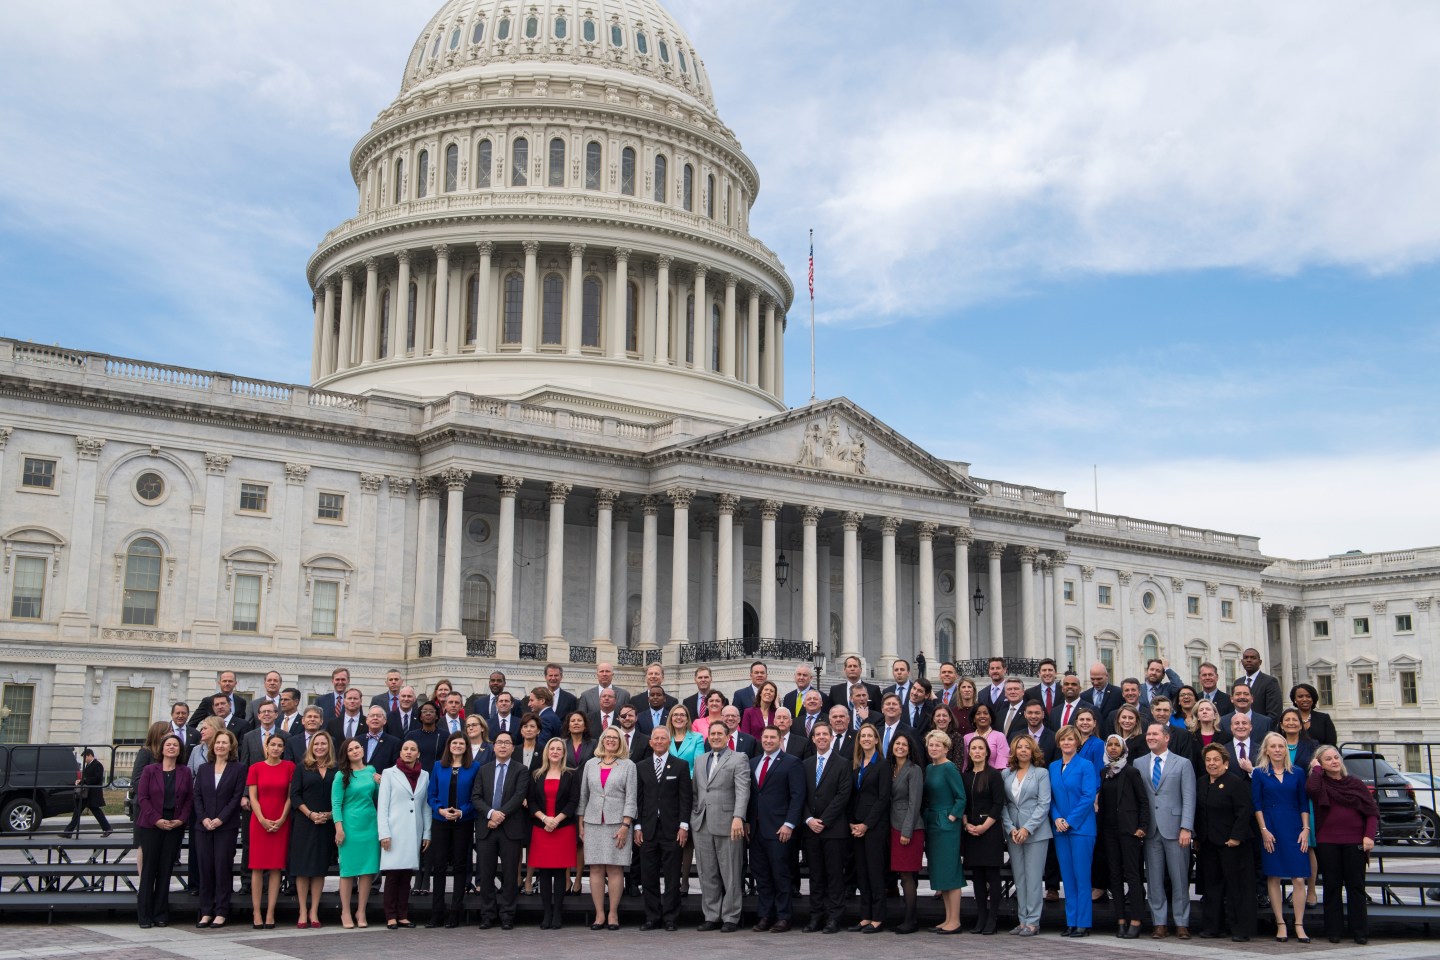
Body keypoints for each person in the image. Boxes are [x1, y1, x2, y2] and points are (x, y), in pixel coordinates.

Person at [1307, 745, 1378, 944]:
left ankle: (1360, 931)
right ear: (1321, 764)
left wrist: (1369, 836)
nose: (1334, 761)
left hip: (1355, 841)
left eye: (1336, 757)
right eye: (1328, 759)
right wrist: (1316, 770)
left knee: (1356, 887)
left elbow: (1371, 812)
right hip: (1327, 842)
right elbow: (1311, 790)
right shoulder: (1320, 783)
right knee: (1332, 886)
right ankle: (1334, 931)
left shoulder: (1355, 784)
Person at [691, 719, 751, 932]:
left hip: (728, 823)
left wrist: (738, 817)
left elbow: (743, 790)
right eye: (712, 734)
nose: (716, 737)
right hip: (702, 823)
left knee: (731, 872)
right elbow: (697, 791)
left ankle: (731, 917)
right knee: (707, 872)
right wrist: (694, 816)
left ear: (727, 736)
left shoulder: (739, 758)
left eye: (720, 734)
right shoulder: (700, 760)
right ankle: (711, 915)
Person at [1138, 722, 1196, 939]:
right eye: (1148, 734)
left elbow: (1189, 797)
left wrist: (1186, 827)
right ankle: (1159, 922)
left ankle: (1182, 922)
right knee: (1153, 879)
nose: (1150, 737)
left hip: (1175, 829)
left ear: (1167, 738)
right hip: (1150, 831)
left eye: (1155, 734)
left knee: (1180, 878)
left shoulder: (1182, 764)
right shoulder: (1139, 762)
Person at [1252, 731, 1310, 942]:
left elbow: (1303, 803)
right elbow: (1257, 804)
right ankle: (1280, 923)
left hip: (1294, 826)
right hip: (1271, 827)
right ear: (1266, 750)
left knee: (1299, 877)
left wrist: (1305, 829)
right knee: (1274, 876)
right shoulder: (1259, 773)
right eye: (1273, 746)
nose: (1277, 750)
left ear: (1286, 749)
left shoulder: (1298, 772)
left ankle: (1299, 924)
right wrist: (1264, 830)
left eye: (1281, 746)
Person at [634, 725, 693, 931]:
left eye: (663, 738)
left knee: (671, 876)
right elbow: (638, 799)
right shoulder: (641, 766)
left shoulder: (681, 765)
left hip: (672, 829)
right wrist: (638, 826)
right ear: (650, 742)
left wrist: (684, 826)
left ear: (669, 742)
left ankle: (670, 917)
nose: (659, 742)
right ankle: (652, 916)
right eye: (655, 739)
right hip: (648, 829)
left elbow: (686, 798)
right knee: (648, 876)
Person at [1194, 743, 1255, 941]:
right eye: (1208, 760)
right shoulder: (1202, 782)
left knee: (1236, 887)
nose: (1212, 763)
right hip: (1208, 844)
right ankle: (1213, 927)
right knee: (1212, 887)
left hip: (1232, 844)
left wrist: (1236, 837)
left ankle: (1240, 930)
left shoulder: (1236, 783)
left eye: (1216, 760)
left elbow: (1244, 811)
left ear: (1226, 763)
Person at [579, 725, 637, 930]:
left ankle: (613, 914)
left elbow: (631, 797)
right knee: (595, 868)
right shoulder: (590, 764)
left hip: (617, 823)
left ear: (621, 742)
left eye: (615, 737)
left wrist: (625, 824)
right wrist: (581, 822)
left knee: (614, 868)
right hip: (593, 822)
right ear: (602, 740)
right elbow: (583, 795)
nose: (611, 740)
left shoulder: (628, 765)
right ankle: (599, 914)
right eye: (607, 737)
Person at [748, 725, 805, 933]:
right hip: (756, 830)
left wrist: (789, 824)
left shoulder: (792, 763)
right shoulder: (753, 762)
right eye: (765, 737)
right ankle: (765, 915)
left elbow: (797, 796)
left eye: (773, 737)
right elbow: (753, 796)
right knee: (762, 876)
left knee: (781, 875)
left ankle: (783, 916)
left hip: (779, 829)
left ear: (780, 740)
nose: (768, 740)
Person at [469, 731, 528, 929]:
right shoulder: (483, 769)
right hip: (487, 829)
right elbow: (476, 797)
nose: (503, 746)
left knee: (510, 875)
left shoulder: (521, 770)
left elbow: (519, 796)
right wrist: (491, 814)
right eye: (499, 742)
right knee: (485, 875)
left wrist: (499, 815)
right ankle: (487, 915)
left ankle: (508, 915)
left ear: (513, 747)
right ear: (493, 747)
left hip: (510, 830)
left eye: (507, 743)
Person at [135, 733, 193, 929]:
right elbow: (142, 798)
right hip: (151, 826)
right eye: (168, 745)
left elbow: (188, 800)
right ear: (162, 749)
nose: (171, 748)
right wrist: (156, 819)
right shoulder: (150, 770)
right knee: (149, 870)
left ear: (180, 750)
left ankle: (160, 913)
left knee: (166, 870)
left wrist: (181, 820)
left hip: (174, 827)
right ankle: (144, 914)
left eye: (175, 745)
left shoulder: (185, 771)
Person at [1097, 734, 1148, 938]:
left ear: (1123, 748)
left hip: (1129, 831)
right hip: (1109, 831)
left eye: (1117, 744)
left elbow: (1143, 801)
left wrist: (1142, 826)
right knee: (1115, 876)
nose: (1113, 748)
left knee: (1133, 875)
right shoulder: (1104, 772)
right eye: (1109, 744)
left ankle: (1136, 919)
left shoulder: (1131, 772)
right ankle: (1120, 919)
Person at [1050, 723, 1098, 937]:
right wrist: (1057, 817)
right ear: (1058, 742)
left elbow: (1089, 796)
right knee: (1067, 878)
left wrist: (1070, 820)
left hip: (1081, 828)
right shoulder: (1052, 767)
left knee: (1082, 877)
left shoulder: (1086, 765)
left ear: (1077, 742)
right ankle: (1071, 921)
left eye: (1071, 739)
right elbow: (1049, 797)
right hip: (1060, 829)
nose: (1067, 742)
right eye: (1063, 739)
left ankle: (1083, 923)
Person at [193, 728, 244, 928]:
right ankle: (205, 911)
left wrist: (221, 819)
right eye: (218, 742)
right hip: (203, 827)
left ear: (231, 746)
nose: (221, 745)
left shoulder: (238, 768)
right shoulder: (204, 769)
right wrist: (204, 818)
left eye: (225, 742)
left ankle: (221, 910)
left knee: (222, 868)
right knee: (205, 869)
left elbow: (236, 797)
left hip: (226, 826)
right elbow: (196, 795)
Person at [377, 738, 430, 930]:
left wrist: (427, 833)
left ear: (418, 753)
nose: (408, 752)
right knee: (393, 875)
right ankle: (390, 915)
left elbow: (425, 806)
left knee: (407, 874)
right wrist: (384, 833)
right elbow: (382, 806)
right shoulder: (389, 773)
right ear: (400, 752)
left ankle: (403, 914)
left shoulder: (424, 775)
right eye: (405, 749)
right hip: (394, 830)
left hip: (413, 831)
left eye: (412, 749)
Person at [426, 731, 477, 928]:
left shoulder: (474, 767)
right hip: (441, 821)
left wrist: (461, 812)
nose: (457, 746)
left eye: (461, 743)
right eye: (454, 743)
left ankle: (455, 911)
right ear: (449, 745)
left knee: (459, 866)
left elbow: (476, 795)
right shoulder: (439, 766)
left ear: (466, 747)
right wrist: (440, 809)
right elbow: (431, 793)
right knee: (438, 866)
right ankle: (437, 912)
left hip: (463, 822)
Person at [1003, 732, 1051, 937]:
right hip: (1013, 833)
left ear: (1033, 751)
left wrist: (1026, 828)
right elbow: (1003, 804)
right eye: (1019, 747)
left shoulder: (1041, 773)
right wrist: (1010, 828)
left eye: (1027, 747)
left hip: (1035, 833)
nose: (1023, 750)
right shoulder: (1006, 774)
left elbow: (1044, 804)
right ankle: (1022, 920)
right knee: (1019, 878)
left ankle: (1033, 921)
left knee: (1032, 878)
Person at [529, 737, 579, 929]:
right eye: (552, 749)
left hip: (563, 828)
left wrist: (556, 820)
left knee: (560, 873)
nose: (556, 752)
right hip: (542, 828)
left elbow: (573, 801)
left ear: (564, 753)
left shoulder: (571, 775)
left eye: (559, 749)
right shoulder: (536, 775)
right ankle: (546, 914)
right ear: (547, 752)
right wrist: (545, 819)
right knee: (543, 873)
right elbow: (531, 801)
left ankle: (557, 913)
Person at [289, 731, 337, 929]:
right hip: (305, 823)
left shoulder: (337, 769)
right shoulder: (302, 768)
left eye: (323, 743)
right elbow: (295, 795)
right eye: (316, 744)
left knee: (319, 870)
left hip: (326, 825)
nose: (319, 747)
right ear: (311, 746)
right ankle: (302, 909)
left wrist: (330, 814)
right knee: (302, 869)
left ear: (329, 746)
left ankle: (314, 910)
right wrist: (310, 814)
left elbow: (343, 796)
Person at [245, 732, 293, 928]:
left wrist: (282, 818)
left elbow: (290, 796)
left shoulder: (290, 767)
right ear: (266, 746)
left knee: (275, 868)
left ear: (283, 748)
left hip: (281, 820)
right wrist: (262, 819)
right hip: (259, 822)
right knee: (257, 868)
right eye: (272, 744)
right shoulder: (255, 768)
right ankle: (256, 912)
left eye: (279, 745)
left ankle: (271, 912)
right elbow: (253, 797)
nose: (275, 748)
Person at [922, 729, 966, 934]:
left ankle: (955, 920)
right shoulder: (929, 768)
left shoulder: (950, 768)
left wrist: (951, 817)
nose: (933, 748)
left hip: (947, 825)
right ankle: (947, 918)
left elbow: (961, 797)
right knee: (941, 873)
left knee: (951, 871)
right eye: (931, 745)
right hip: (932, 823)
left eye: (938, 745)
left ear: (946, 748)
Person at [332, 737, 380, 928]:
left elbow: (378, 798)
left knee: (367, 871)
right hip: (350, 826)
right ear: (346, 754)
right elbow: (336, 804)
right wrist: (339, 828)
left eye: (357, 747)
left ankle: (361, 910)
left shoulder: (371, 771)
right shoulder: (341, 775)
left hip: (370, 824)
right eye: (350, 749)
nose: (355, 751)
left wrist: (380, 782)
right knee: (348, 870)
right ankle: (345, 911)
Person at [960, 734, 1006, 934]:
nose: (977, 752)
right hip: (971, 831)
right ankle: (980, 917)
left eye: (981, 748)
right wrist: (966, 824)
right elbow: (962, 802)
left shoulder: (994, 775)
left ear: (987, 752)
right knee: (977, 877)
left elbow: (998, 804)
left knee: (992, 876)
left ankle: (992, 918)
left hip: (989, 831)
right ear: (968, 753)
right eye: (973, 748)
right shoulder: (966, 776)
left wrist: (984, 827)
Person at [847, 723, 890, 933]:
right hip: (857, 826)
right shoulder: (856, 765)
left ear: (876, 740)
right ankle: (865, 915)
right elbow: (852, 796)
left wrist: (866, 824)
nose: (865, 739)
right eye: (862, 736)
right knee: (861, 872)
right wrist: (852, 822)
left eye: (869, 736)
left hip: (874, 826)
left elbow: (883, 799)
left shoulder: (882, 764)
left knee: (875, 872)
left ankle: (878, 917)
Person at [888, 732, 925, 934]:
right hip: (892, 825)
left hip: (908, 828)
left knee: (907, 876)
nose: (900, 747)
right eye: (897, 743)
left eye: (904, 744)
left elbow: (914, 803)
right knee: (902, 875)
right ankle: (907, 916)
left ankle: (911, 919)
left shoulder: (914, 770)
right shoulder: (891, 768)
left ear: (910, 748)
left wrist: (907, 830)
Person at [62, 748, 111, 838]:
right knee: (78, 810)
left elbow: (97, 778)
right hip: (86, 793)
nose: (84, 760)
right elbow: (86, 778)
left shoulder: (97, 765)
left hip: (93, 793)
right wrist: (80, 780)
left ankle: (107, 828)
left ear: (89, 755)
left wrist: (83, 781)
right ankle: (68, 832)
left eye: (85, 757)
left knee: (96, 812)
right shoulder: (88, 765)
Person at [1238, 647, 1284, 726]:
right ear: (1242, 662)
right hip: (1239, 730)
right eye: (1246, 658)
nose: (1249, 660)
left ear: (1260, 662)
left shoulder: (1270, 682)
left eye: (1253, 658)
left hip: (1261, 731)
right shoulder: (1238, 682)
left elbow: (1274, 713)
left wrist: (1260, 728)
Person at [963, 702, 1007, 769]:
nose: (982, 716)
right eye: (978, 713)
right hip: (971, 776)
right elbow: (965, 763)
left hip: (993, 776)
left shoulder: (999, 736)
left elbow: (1002, 763)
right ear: (974, 719)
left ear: (990, 718)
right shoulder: (966, 738)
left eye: (986, 713)